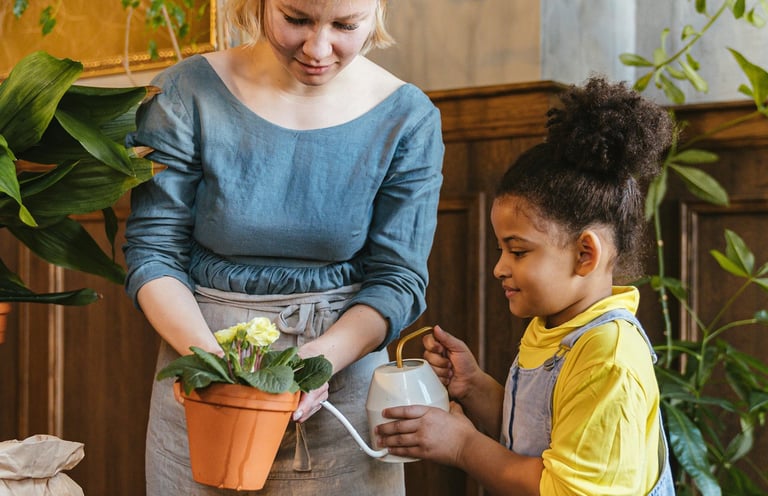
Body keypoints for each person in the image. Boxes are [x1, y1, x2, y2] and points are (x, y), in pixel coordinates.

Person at [122, 0, 444, 494]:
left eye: (345, 25)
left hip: (339, 390)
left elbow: (397, 280)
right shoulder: (186, 91)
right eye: (296, 19)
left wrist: (315, 364)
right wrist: (215, 368)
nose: (318, 48)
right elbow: (154, 252)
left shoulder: (408, 117)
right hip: (200, 378)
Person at [376, 76, 676, 495]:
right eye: (501, 249)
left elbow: (565, 488)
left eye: (517, 251)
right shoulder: (557, 327)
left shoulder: (608, 358)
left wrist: (462, 445)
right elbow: (546, 432)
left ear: (585, 254)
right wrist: (475, 386)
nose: (499, 268)